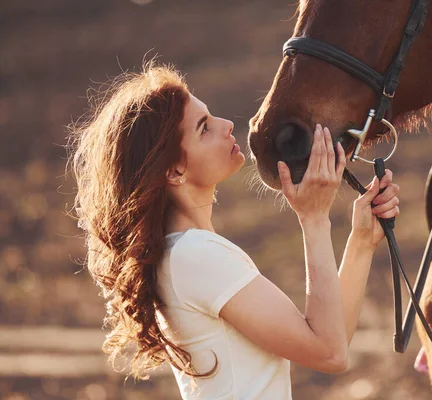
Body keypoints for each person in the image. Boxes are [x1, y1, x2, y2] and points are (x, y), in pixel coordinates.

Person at [68, 62, 400, 399]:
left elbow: (331, 339)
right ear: (174, 170)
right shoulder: (197, 256)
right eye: (204, 128)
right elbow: (329, 352)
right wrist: (313, 218)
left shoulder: (185, 253)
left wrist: (361, 242)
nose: (227, 125)